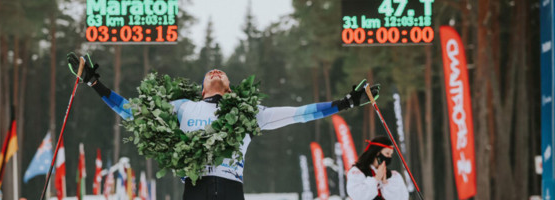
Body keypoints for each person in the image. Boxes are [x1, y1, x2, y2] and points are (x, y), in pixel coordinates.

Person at [67, 54, 380, 200]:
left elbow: (300, 113)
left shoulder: (249, 112)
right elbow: (135, 113)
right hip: (195, 188)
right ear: (203, 88)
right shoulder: (183, 108)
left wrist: (346, 103)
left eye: (221, 73)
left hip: (231, 189)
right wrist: (95, 83)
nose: (214, 72)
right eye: (209, 73)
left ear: (228, 87)